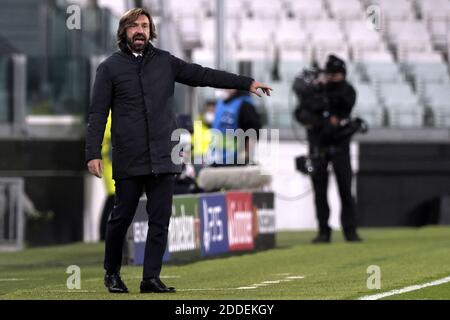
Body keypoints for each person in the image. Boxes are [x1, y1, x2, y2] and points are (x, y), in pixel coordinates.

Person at [85, 8, 272, 294]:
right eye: (134, 26)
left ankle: (150, 278)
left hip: (165, 154)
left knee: (160, 219)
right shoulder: (109, 67)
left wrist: (245, 83)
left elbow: (204, 75)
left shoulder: (165, 62)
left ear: (151, 31)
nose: (140, 31)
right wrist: (93, 152)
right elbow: (98, 113)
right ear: (123, 31)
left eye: (145, 26)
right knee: (121, 216)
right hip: (129, 156)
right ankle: (112, 273)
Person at [294, 55, 362, 244]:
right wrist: (317, 118)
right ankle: (324, 231)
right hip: (318, 146)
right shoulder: (314, 91)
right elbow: (301, 113)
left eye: (336, 74)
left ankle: (350, 231)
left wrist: (323, 94)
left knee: (345, 190)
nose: (332, 77)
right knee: (319, 191)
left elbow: (344, 104)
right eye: (330, 74)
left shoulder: (346, 91)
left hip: (340, 146)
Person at [210, 89, 262, 165]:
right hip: (217, 159)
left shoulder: (245, 105)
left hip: (235, 160)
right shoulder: (220, 103)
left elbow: (252, 132)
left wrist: (247, 156)